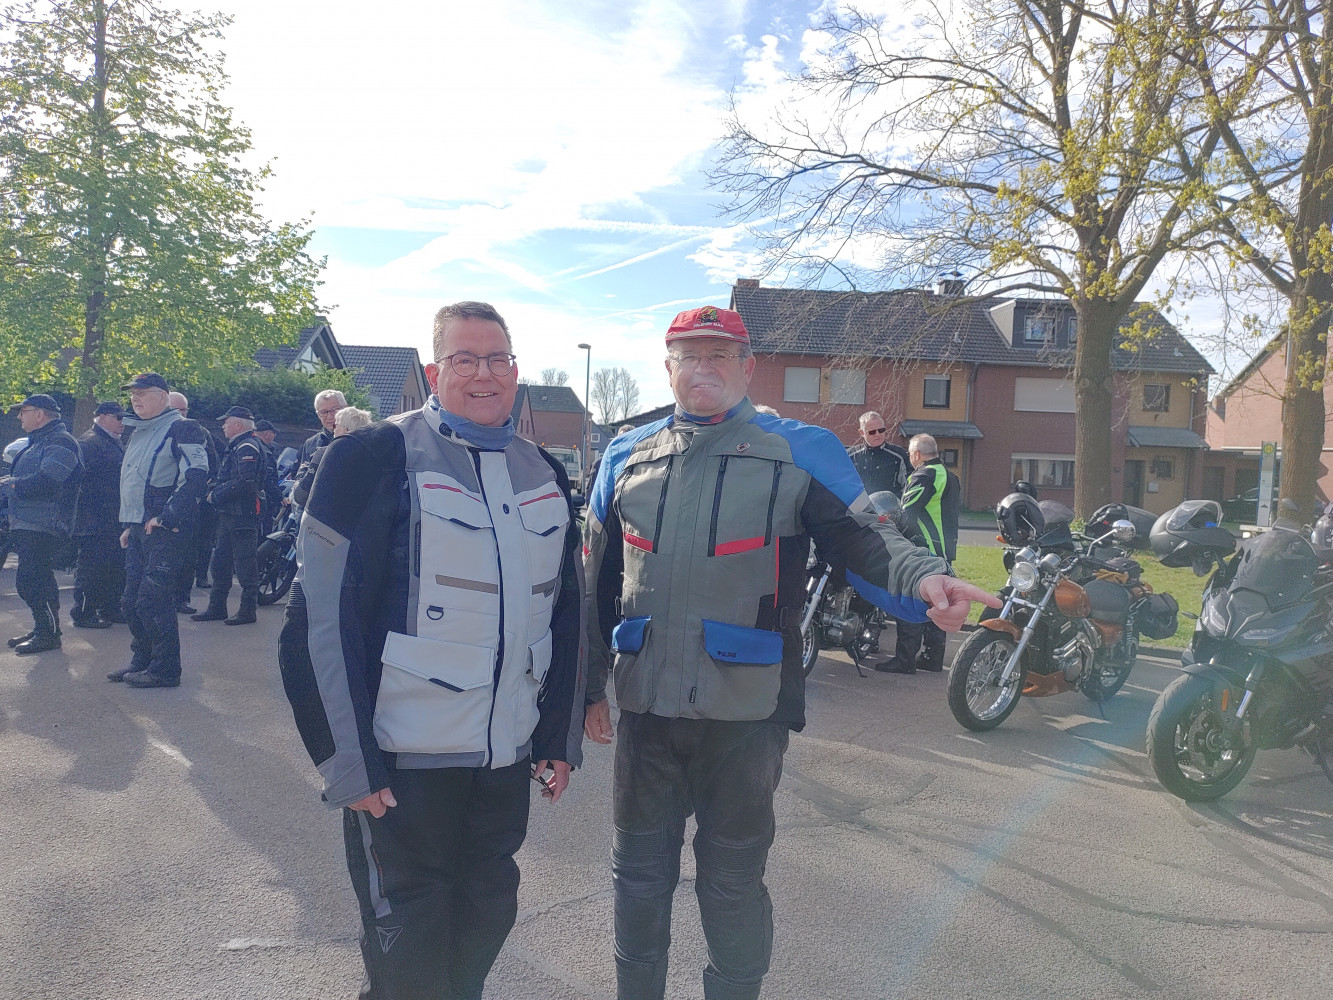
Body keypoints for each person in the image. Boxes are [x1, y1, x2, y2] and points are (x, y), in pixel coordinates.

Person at [583, 306, 997, 1000]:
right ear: (668, 368)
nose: (704, 367)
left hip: (746, 715)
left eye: (720, 354)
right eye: (689, 354)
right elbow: (594, 580)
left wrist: (925, 579)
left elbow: (865, 539)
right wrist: (586, 688)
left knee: (732, 881)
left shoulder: (800, 449)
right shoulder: (626, 455)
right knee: (638, 877)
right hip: (647, 708)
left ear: (747, 367)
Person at [278, 300, 585, 1000]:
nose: (484, 374)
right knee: (407, 946)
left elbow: (566, 614)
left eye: (497, 358)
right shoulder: (370, 457)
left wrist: (558, 736)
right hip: (402, 760)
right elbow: (318, 622)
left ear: (515, 370)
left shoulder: (543, 470)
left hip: (503, 757)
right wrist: (347, 760)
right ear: (432, 369)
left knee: (484, 917)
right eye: (464, 358)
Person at [109, 373, 209, 688]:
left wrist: (166, 517)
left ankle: (165, 670)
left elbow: (197, 475)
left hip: (167, 529)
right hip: (141, 528)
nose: (135, 398)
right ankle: (142, 660)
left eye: (143, 393)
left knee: (152, 599)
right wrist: (131, 524)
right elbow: (136, 481)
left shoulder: (183, 428)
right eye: (132, 394)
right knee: (130, 601)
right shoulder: (139, 430)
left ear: (164, 396)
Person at [0, 395, 82, 654]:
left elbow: (49, 480)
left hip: (46, 523)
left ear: (40, 414)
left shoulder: (60, 441)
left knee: (31, 581)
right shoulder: (40, 441)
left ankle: (48, 633)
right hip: (30, 523)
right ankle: (45, 629)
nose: (18, 416)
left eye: (23, 411)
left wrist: (11, 485)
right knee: (36, 579)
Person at [878, 433, 962, 675]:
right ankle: (933, 658)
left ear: (916, 454)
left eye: (910, 454)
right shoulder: (949, 476)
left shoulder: (924, 475)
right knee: (937, 602)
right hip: (943, 551)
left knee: (910, 601)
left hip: (921, 550)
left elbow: (907, 513)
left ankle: (905, 660)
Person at [191, 406, 264, 626]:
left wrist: (216, 495)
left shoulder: (247, 446)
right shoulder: (239, 445)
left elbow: (245, 482)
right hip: (229, 514)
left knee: (245, 565)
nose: (223, 426)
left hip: (242, 515)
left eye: (226, 422)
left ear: (238, 424)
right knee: (220, 563)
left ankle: (248, 611)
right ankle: (217, 608)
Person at [71, 401, 127, 628]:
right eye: (118, 418)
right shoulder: (89, 442)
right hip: (95, 517)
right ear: (103, 417)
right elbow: (82, 480)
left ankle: (110, 607)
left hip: (112, 516)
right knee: (92, 566)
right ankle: (83, 612)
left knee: (113, 565)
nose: (123, 422)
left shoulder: (113, 441)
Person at [165, 391, 217, 613]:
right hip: (161, 502)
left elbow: (212, 466)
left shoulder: (200, 433)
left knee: (187, 552)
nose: (181, 414)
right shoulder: (156, 432)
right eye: (176, 410)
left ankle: (180, 599)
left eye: (183, 410)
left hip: (189, 504)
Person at [289, 406, 371, 508]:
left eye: (335, 426)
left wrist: (303, 471)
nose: (333, 430)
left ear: (345, 430)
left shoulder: (324, 454)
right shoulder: (373, 459)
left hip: (323, 515)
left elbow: (301, 496)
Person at [847, 410, 911, 497]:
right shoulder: (850, 456)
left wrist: (895, 499)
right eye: (872, 432)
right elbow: (842, 485)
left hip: (891, 504)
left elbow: (909, 486)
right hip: (859, 504)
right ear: (861, 432)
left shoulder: (899, 455)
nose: (878, 434)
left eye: (881, 430)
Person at [299, 389, 346, 470]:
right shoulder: (310, 444)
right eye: (323, 412)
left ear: (345, 409)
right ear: (318, 415)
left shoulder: (359, 439)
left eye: (335, 410)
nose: (330, 416)